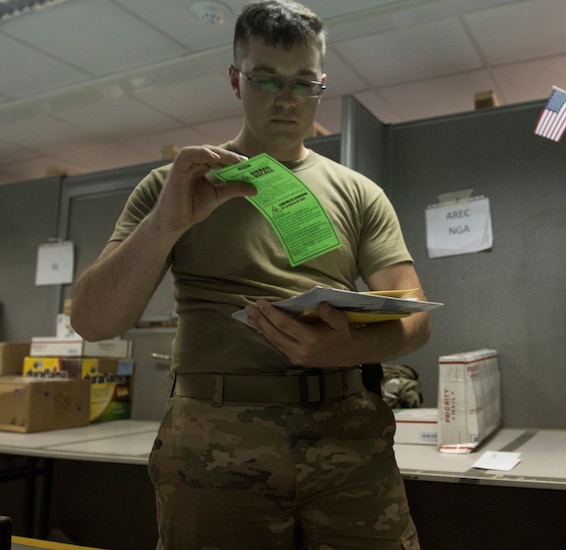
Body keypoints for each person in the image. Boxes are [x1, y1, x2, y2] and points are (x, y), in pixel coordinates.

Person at [70, 1, 430, 548]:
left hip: (346, 436)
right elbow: (92, 321)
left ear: (321, 85)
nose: (287, 99)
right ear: (236, 80)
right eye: (267, 79)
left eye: (304, 83)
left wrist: (343, 350)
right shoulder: (175, 185)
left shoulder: (359, 193)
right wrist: (165, 225)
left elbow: (416, 319)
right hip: (215, 443)